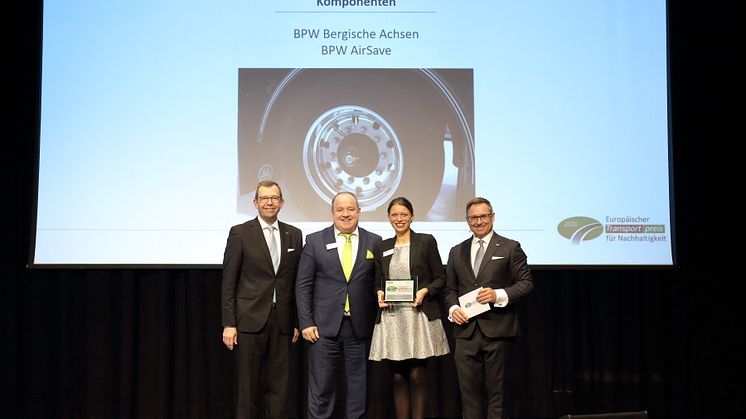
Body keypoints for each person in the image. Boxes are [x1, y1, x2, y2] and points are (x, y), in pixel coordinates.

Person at [444, 197, 534, 419]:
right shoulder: (457, 251)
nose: (478, 221)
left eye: (483, 216)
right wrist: (453, 308)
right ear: (467, 221)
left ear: (492, 217)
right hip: (465, 333)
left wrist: (498, 295)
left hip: (498, 330)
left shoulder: (510, 247)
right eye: (473, 218)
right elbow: (449, 289)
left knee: (498, 394)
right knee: (468, 394)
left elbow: (526, 283)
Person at [295, 192, 383, 419]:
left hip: (360, 329)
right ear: (332, 212)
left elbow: (378, 283)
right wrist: (306, 322)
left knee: (358, 391)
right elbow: (303, 285)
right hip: (323, 330)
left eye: (351, 209)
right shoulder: (315, 241)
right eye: (340, 210)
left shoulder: (374, 241)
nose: (346, 214)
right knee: (321, 390)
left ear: (359, 211)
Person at [221, 180, 303, 419]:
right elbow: (229, 281)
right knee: (248, 388)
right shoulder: (240, 233)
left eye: (274, 198)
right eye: (264, 198)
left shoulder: (294, 234)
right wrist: (229, 323)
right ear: (255, 202)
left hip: (283, 322)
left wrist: (297, 320)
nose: (269, 202)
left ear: (282, 203)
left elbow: (295, 281)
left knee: (279, 388)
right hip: (249, 321)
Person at [369, 197, 450, 419]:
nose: (399, 219)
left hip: (418, 316)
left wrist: (424, 291)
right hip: (393, 317)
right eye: (394, 214)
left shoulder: (426, 241)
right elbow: (378, 281)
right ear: (388, 218)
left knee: (416, 375)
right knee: (396, 377)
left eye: (404, 214)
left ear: (412, 216)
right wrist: (379, 293)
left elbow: (440, 278)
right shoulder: (382, 246)